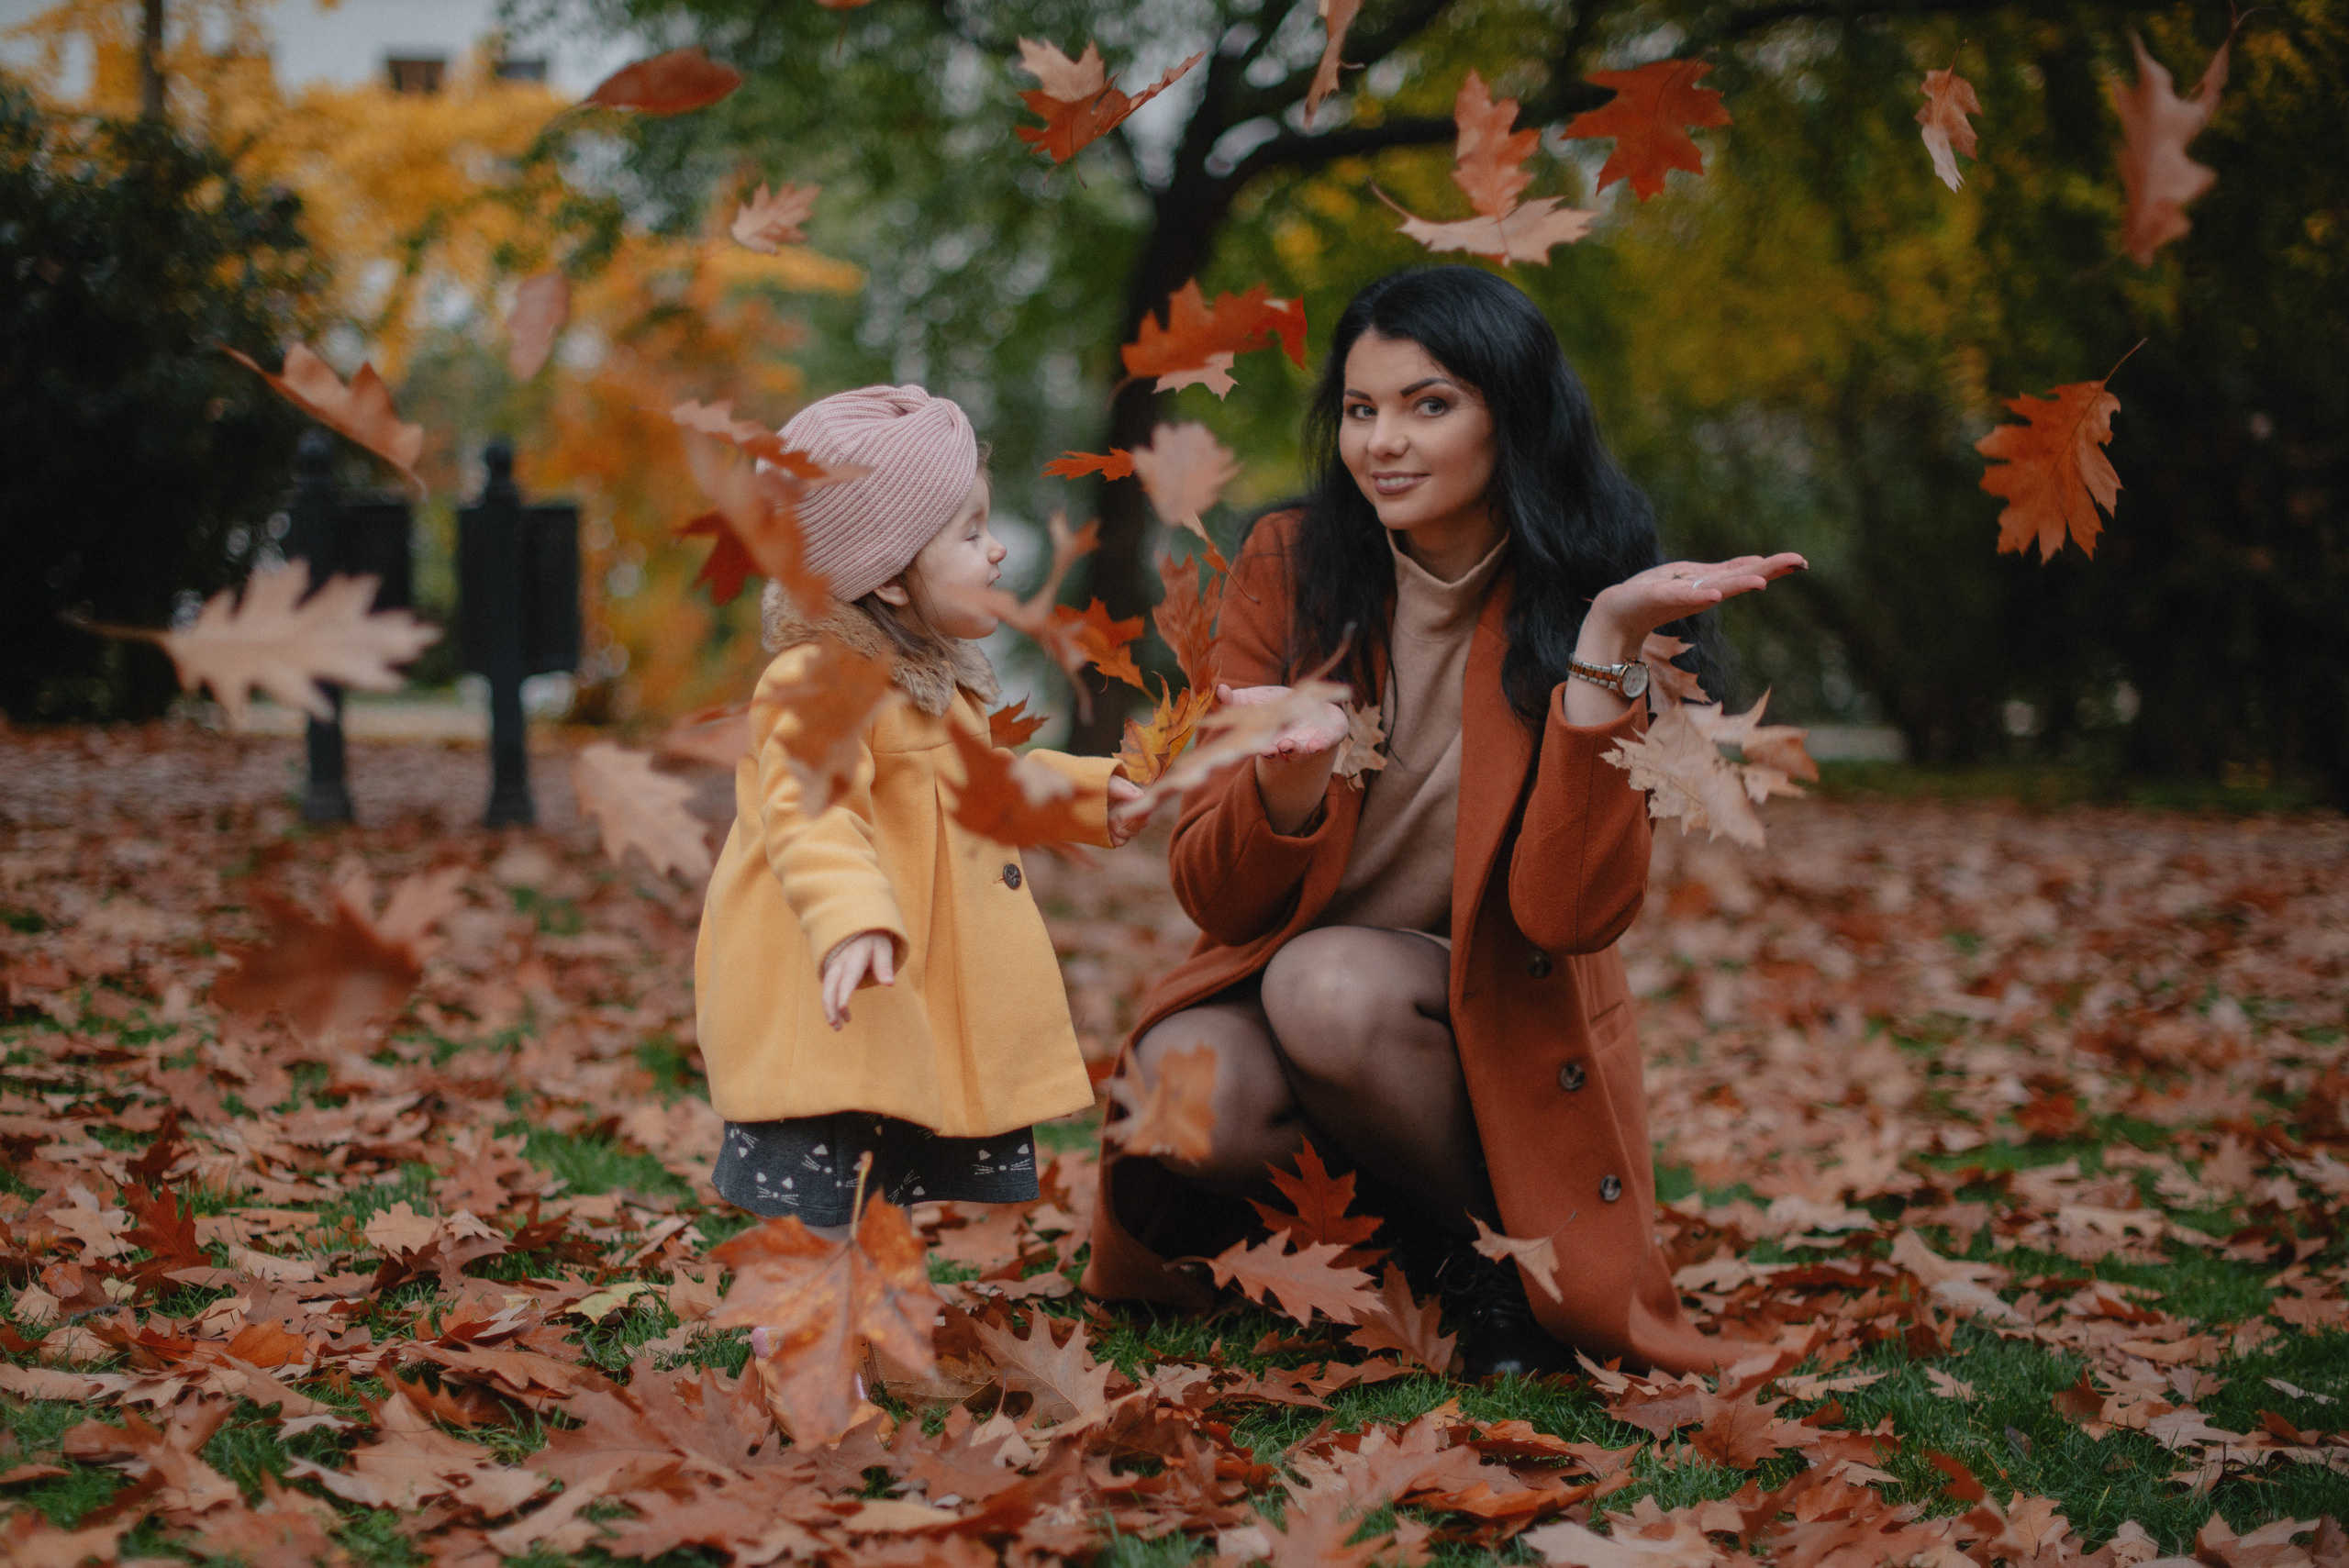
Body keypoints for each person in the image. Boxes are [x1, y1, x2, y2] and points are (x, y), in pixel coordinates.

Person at [1083, 269, 1805, 1377]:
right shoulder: (1291, 563)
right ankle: (1435, 1259)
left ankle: (1527, 1270)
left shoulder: (1603, 591)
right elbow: (1214, 900)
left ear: (1508, 414)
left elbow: (1571, 913)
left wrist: (1606, 649)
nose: (1383, 442)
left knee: (1327, 984)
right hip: (1280, 990)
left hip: (1476, 1020)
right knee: (1176, 1094)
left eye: (1429, 404)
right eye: (1362, 410)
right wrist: (1285, 785)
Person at [696, 384, 1152, 1242]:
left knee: (880, 1195)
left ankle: (860, 1340)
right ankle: (807, 1360)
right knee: (827, 1202)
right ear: (890, 579)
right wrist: (850, 918)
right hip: (831, 984)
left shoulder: (932, 684)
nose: (997, 552)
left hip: (899, 996)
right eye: (970, 535)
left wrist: (1089, 794)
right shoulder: (820, 681)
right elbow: (809, 811)